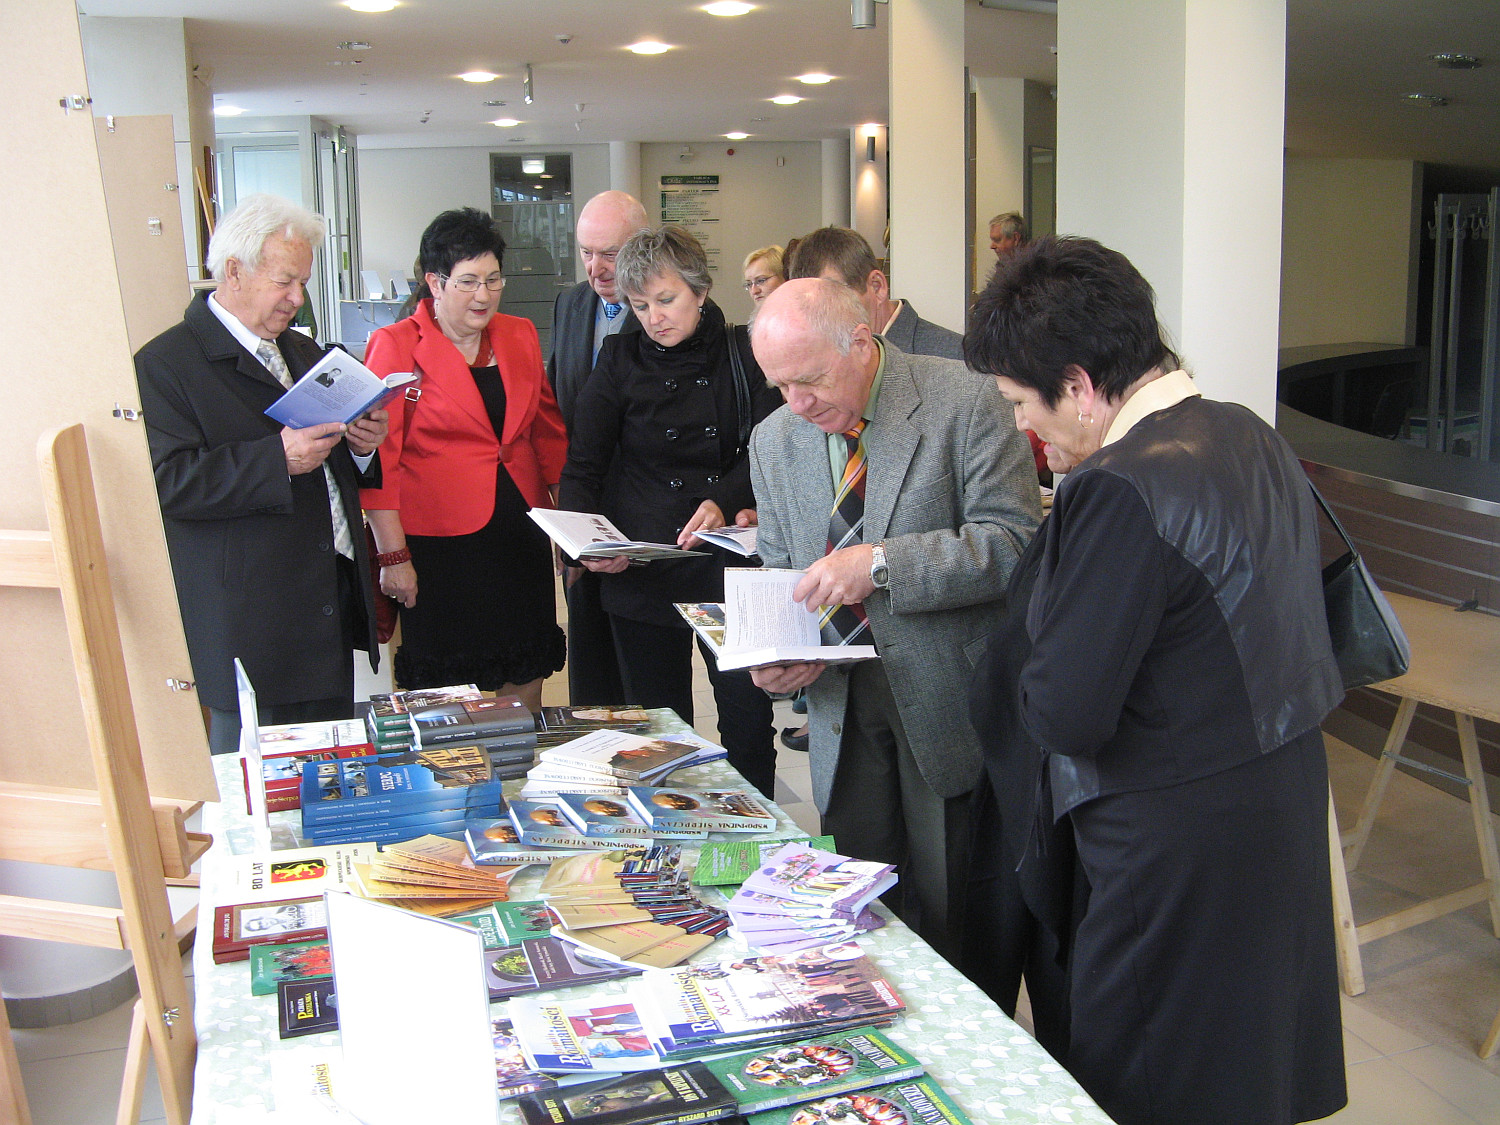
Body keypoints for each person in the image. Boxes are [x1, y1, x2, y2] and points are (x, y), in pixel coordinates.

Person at [965, 235, 1346, 1125]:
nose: (1028, 428)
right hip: (1279, 794)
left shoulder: (1119, 487)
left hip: (1171, 838)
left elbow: (1065, 709)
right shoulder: (1249, 430)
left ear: (1080, 383)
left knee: (1149, 1074)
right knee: (1245, 1062)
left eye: (1026, 403)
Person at [746, 278, 1040, 962]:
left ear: (859, 341)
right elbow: (783, 572)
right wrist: (783, 656)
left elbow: (1014, 543)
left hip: (946, 702)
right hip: (839, 707)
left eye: (810, 380)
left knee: (952, 917)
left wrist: (881, 563)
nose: (798, 402)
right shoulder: (775, 439)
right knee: (858, 917)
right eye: (779, 385)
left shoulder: (964, 398)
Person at [134, 193, 387, 755]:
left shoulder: (301, 349)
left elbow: (328, 458)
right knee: (256, 799)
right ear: (233, 272)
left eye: (303, 283)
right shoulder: (166, 365)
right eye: (284, 282)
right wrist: (278, 459)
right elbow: (167, 482)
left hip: (322, 609)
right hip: (251, 626)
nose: (297, 299)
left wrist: (363, 447)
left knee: (328, 782)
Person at [559, 225, 783, 796]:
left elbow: (772, 447)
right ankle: (673, 851)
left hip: (726, 564)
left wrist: (725, 498)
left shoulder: (744, 350)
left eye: (667, 300)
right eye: (639, 305)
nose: (654, 317)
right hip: (645, 561)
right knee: (660, 731)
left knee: (746, 719)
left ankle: (755, 842)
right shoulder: (618, 357)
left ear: (700, 291)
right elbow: (584, 463)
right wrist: (582, 543)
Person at [360, 208, 567, 712]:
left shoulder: (518, 334)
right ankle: (458, 787)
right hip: (439, 547)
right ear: (434, 281)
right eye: (468, 282)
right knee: (446, 695)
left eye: (494, 280)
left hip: (520, 534)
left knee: (525, 669)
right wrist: (393, 557)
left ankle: (518, 772)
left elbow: (547, 433)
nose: (484, 295)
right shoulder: (396, 346)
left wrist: (570, 526)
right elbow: (379, 461)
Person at [548, 190, 650, 707]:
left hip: (644, 513)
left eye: (609, 252)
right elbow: (556, 400)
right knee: (588, 659)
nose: (596, 266)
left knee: (640, 667)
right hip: (582, 508)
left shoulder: (666, 312)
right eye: (586, 252)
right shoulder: (571, 304)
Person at [787, 226, 963, 362]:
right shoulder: (820, 363)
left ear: (877, 287)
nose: (825, 320)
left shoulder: (956, 357)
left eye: (834, 300)